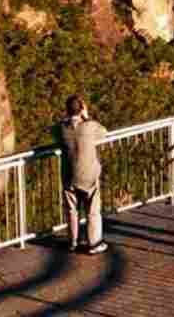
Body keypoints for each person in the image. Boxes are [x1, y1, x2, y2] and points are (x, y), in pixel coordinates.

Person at [57, 96, 109, 254]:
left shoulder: (61, 128)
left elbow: (54, 133)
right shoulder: (89, 126)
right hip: (89, 176)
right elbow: (104, 133)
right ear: (81, 109)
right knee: (92, 210)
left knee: (72, 210)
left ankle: (73, 242)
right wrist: (87, 117)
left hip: (69, 176)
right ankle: (94, 244)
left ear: (67, 110)